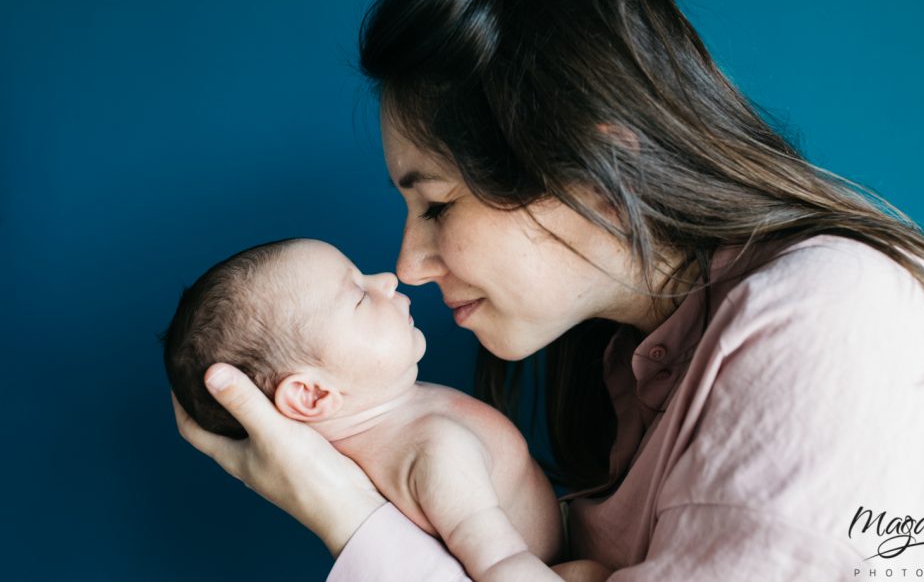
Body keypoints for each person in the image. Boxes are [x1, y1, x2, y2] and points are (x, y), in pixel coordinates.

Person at [171, 0, 924, 580]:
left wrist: (350, 519)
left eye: (435, 203)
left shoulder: (837, 319)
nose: (407, 265)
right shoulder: (632, 366)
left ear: (593, 164)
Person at [163, 237, 611, 581]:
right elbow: (502, 563)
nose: (387, 280)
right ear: (313, 396)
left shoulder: (395, 411)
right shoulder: (432, 452)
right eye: (358, 295)